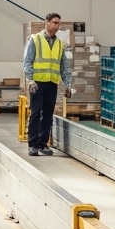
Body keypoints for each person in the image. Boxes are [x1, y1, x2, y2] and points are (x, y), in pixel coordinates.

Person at [22, 12, 73, 156]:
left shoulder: (59, 44)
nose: (57, 26)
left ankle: (43, 144)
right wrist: (30, 80)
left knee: (48, 114)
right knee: (36, 113)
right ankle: (33, 144)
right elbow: (27, 61)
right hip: (37, 83)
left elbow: (64, 66)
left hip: (52, 83)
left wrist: (68, 84)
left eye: (58, 23)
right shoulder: (35, 39)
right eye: (55, 23)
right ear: (47, 22)